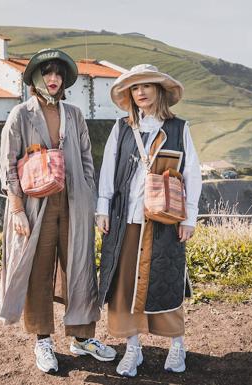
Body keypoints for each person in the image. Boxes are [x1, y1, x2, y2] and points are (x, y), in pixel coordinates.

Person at [0, 48, 116, 374]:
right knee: (38, 270)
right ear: (36, 78)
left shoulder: (75, 114)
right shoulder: (20, 115)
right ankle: (43, 340)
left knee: (80, 268)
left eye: (59, 74)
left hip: (74, 205)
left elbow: (87, 159)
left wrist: (89, 196)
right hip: (36, 208)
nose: (53, 79)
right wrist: (17, 208)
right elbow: (8, 167)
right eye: (47, 73)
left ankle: (81, 337)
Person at [96, 64, 202, 377]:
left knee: (165, 283)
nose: (140, 92)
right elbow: (108, 170)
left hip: (165, 224)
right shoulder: (122, 128)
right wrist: (103, 208)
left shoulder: (179, 129)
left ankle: (177, 346)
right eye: (134, 88)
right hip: (125, 222)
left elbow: (192, 174)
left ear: (158, 91)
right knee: (124, 288)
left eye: (146, 86)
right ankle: (133, 348)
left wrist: (190, 217)